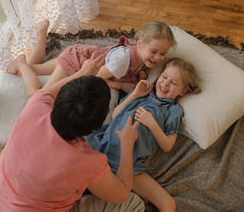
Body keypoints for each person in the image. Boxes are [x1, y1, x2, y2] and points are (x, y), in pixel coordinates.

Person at [0, 51, 145, 211]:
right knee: (133, 203)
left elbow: (47, 92)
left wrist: (82, 73)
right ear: (95, 127)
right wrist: (126, 144)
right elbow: (121, 194)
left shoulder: (35, 106)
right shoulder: (89, 163)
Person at [85, 57, 201, 212]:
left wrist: (151, 123)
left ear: (183, 91)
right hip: (102, 147)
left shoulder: (174, 111)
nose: (165, 83)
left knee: (168, 204)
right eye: (164, 77)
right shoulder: (142, 92)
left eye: (173, 83)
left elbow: (167, 145)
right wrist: (134, 94)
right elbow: (115, 115)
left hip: (129, 166)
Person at [6, 20, 176, 93]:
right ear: (138, 42)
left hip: (82, 54)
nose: (158, 58)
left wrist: (139, 73)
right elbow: (94, 79)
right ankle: (21, 62)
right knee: (40, 95)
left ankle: (41, 34)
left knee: (34, 68)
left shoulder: (141, 57)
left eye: (163, 53)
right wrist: (121, 85)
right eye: (154, 52)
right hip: (77, 62)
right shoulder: (122, 61)